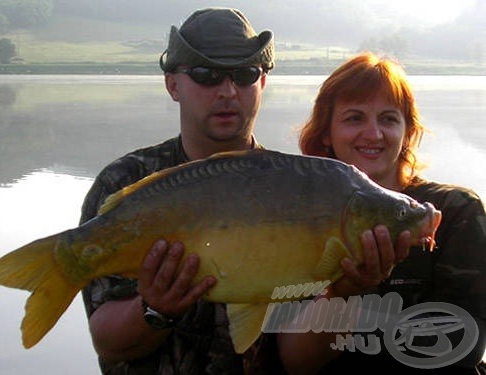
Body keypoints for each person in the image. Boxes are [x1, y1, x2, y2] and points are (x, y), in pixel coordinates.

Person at [79, 10, 410, 373]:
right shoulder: (125, 182)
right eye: (206, 75)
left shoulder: (302, 187)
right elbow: (107, 342)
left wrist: (346, 293)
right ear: (172, 85)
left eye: (244, 74)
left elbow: (297, 359)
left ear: (263, 82)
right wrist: (154, 308)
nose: (227, 91)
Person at [278, 52, 486, 374]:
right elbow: (295, 362)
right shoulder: (299, 218)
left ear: (407, 132)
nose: (374, 134)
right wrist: (344, 294)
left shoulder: (456, 211)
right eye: (354, 118)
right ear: (325, 133)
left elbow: (464, 347)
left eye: (389, 119)